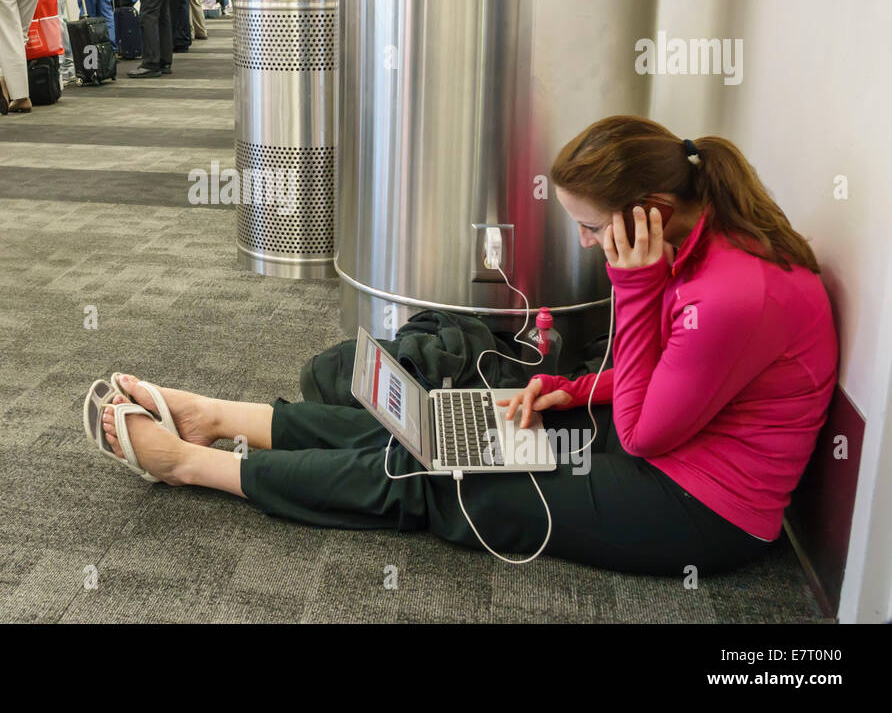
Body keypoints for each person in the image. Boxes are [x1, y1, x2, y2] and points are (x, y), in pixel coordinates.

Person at [92, 115, 839, 577]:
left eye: (589, 227)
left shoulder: (734, 292)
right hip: (656, 439)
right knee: (439, 420)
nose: (582, 241)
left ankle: (193, 464)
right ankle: (219, 416)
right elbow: (666, 377)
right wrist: (571, 390)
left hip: (698, 506)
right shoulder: (700, 244)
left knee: (435, 477)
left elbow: (646, 434)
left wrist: (634, 290)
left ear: (654, 213)